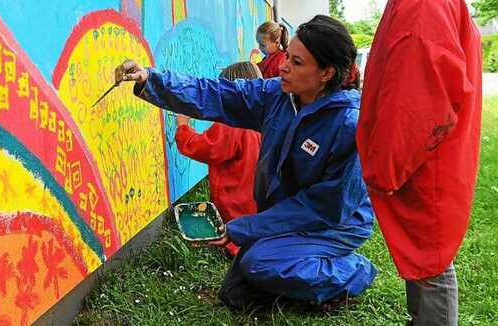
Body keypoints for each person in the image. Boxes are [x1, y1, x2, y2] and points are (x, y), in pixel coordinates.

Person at [116, 15, 376, 307]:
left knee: (259, 263)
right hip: (289, 213)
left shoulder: (348, 125)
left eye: (297, 63)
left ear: (326, 73)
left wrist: (245, 227)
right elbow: (217, 93)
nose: (283, 66)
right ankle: (299, 273)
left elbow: (325, 208)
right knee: (236, 295)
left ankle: (353, 272)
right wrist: (151, 79)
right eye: (287, 56)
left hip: (332, 224)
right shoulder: (277, 95)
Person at [356, 0, 482, 324]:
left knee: (431, 263)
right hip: (431, 154)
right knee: (423, 256)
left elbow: (416, 100)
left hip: (424, 158)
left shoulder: (423, 5)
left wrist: (388, 166)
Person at [174, 61, 263, 256]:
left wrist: (183, 126)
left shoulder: (233, 122)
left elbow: (207, 148)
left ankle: (238, 252)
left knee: (238, 239)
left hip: (236, 197)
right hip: (254, 195)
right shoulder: (260, 114)